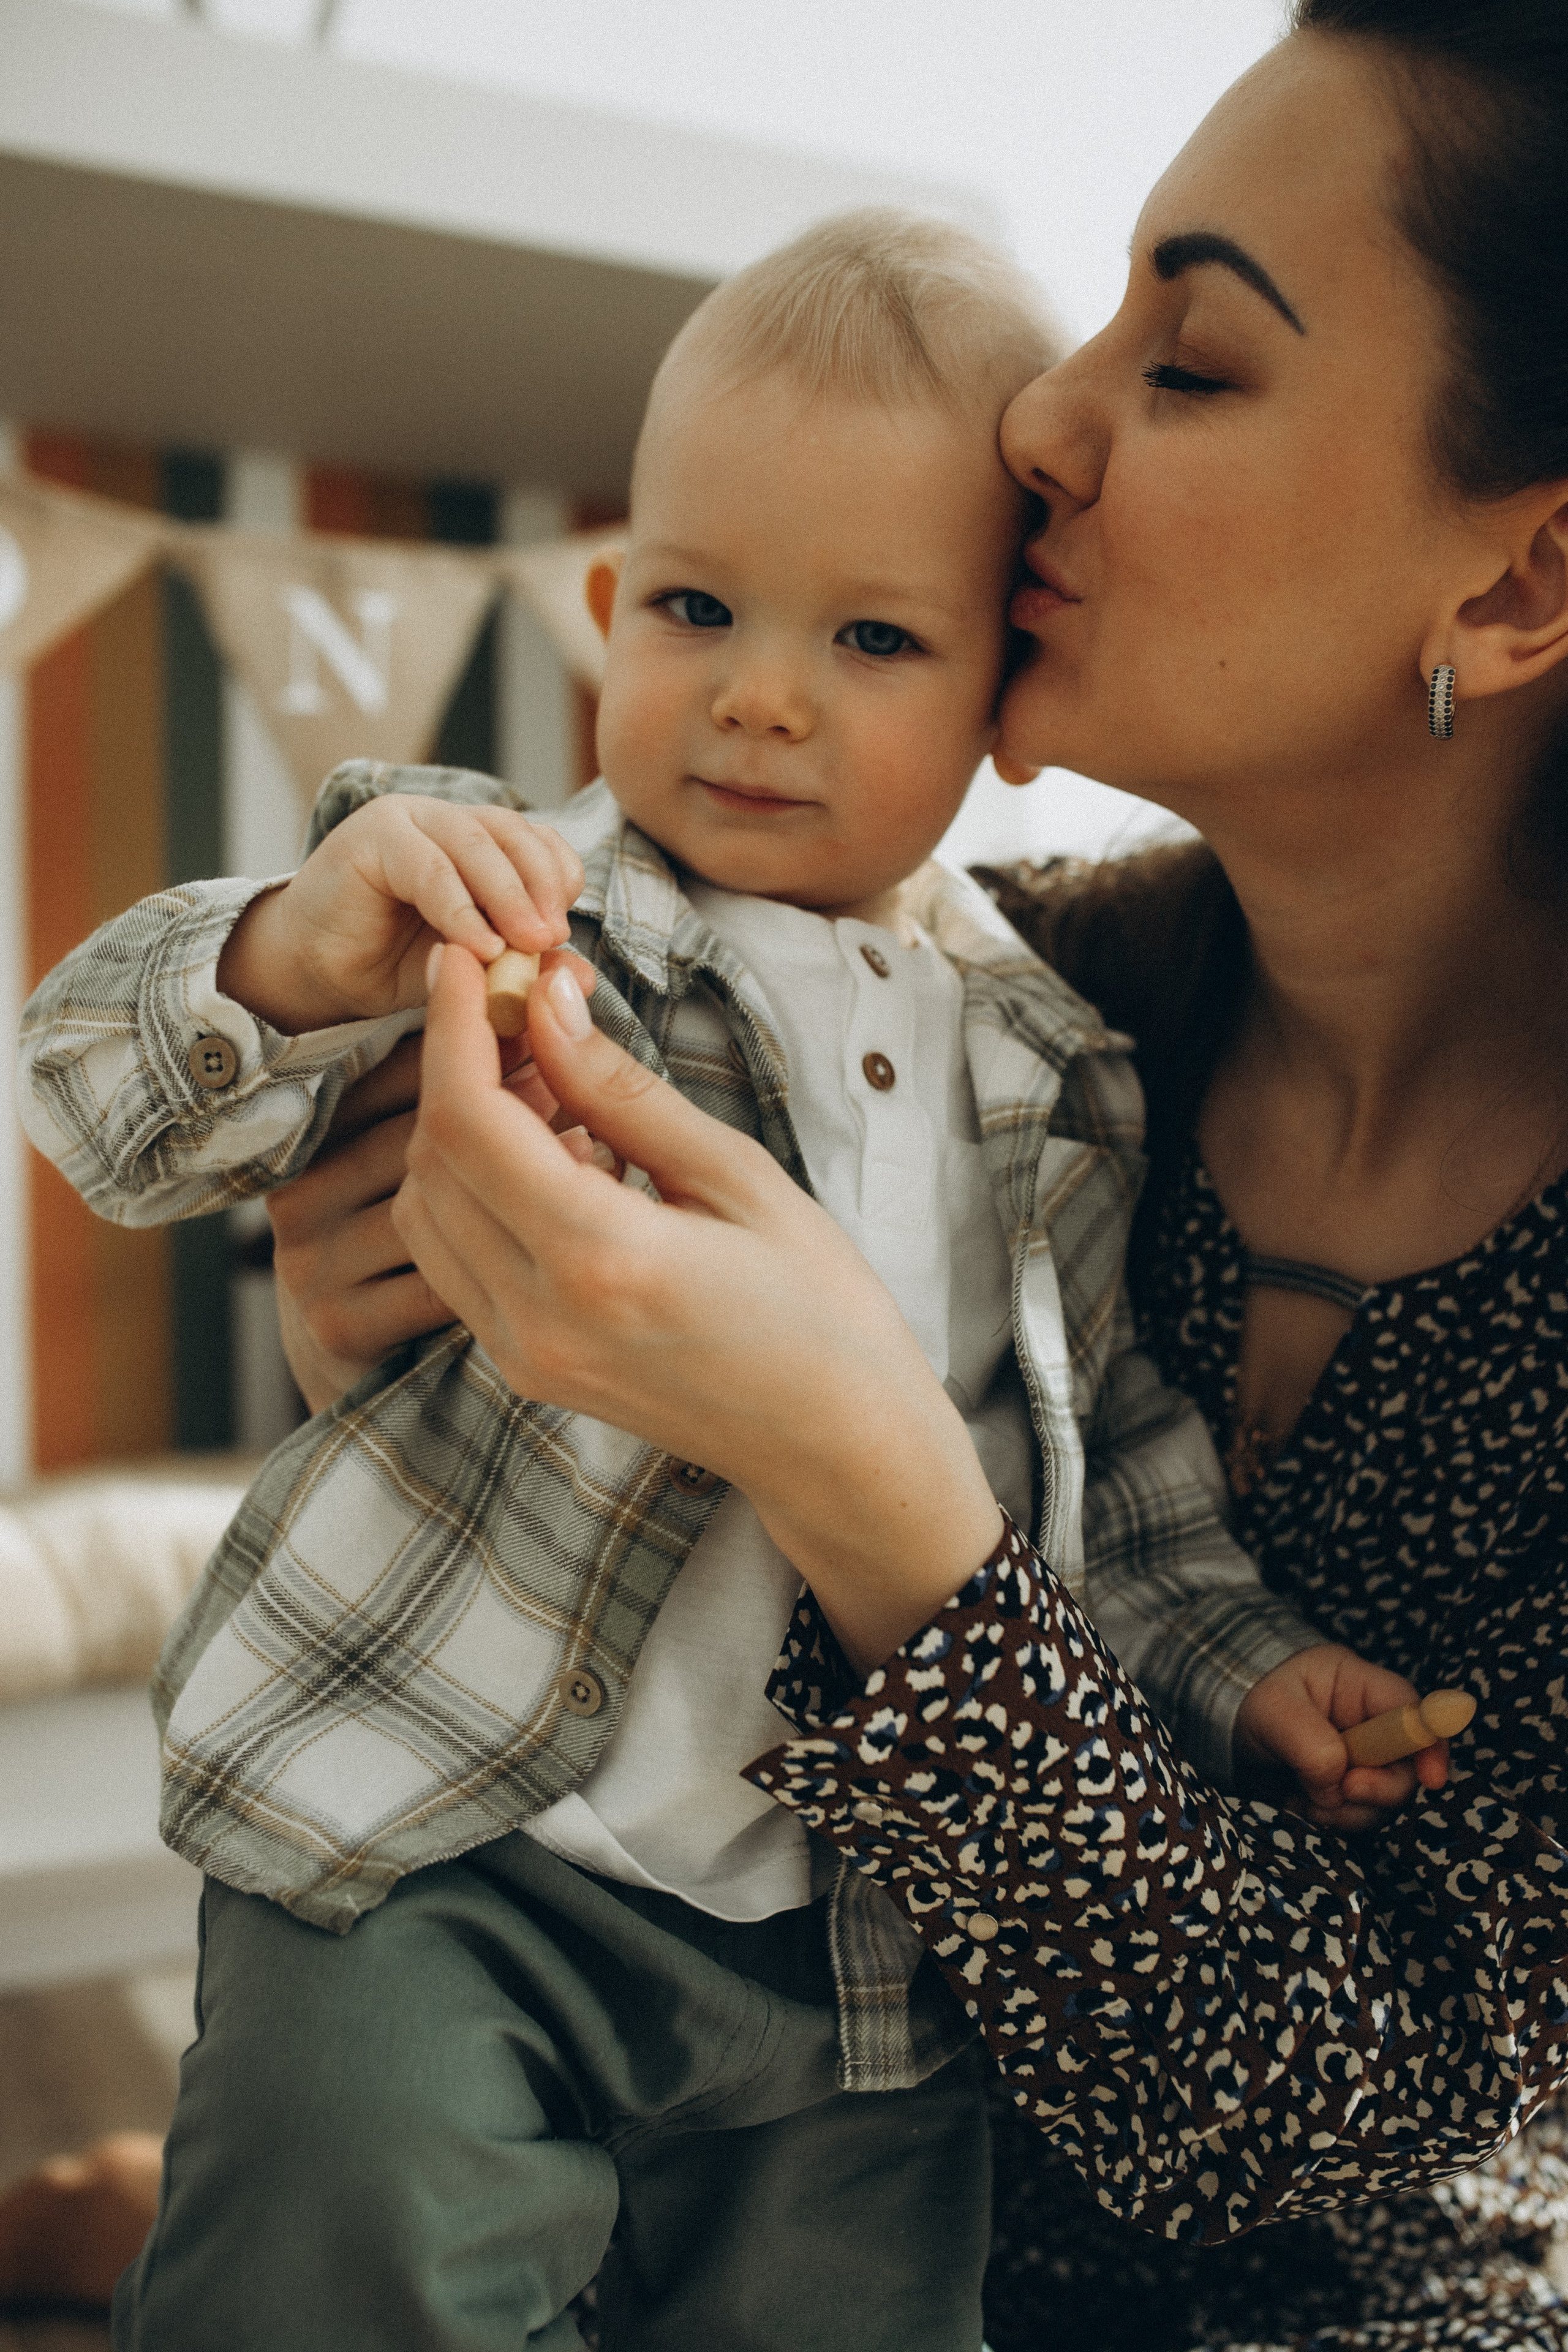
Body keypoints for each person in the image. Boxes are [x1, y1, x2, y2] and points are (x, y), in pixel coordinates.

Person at [253, 4, 1568, 2346]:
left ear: (1513, 586)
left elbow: (1314, 2113)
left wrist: (870, 1472)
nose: (1043, 415)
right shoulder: (962, 1021)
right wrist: (405, 1307)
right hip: (681, 2164)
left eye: (1191, 359)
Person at [20, 213, 1426, 2352]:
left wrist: (1241, 1669)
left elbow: (1104, 1473)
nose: (760, 694)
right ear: (612, 607)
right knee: (341, 2235)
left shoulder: (1059, 1067)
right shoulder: (496, 898)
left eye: (875, 641)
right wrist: (288, 957)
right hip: (448, 1848)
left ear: (1000, 700)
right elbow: (97, 1097)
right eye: (696, 607)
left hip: (851, 1955)